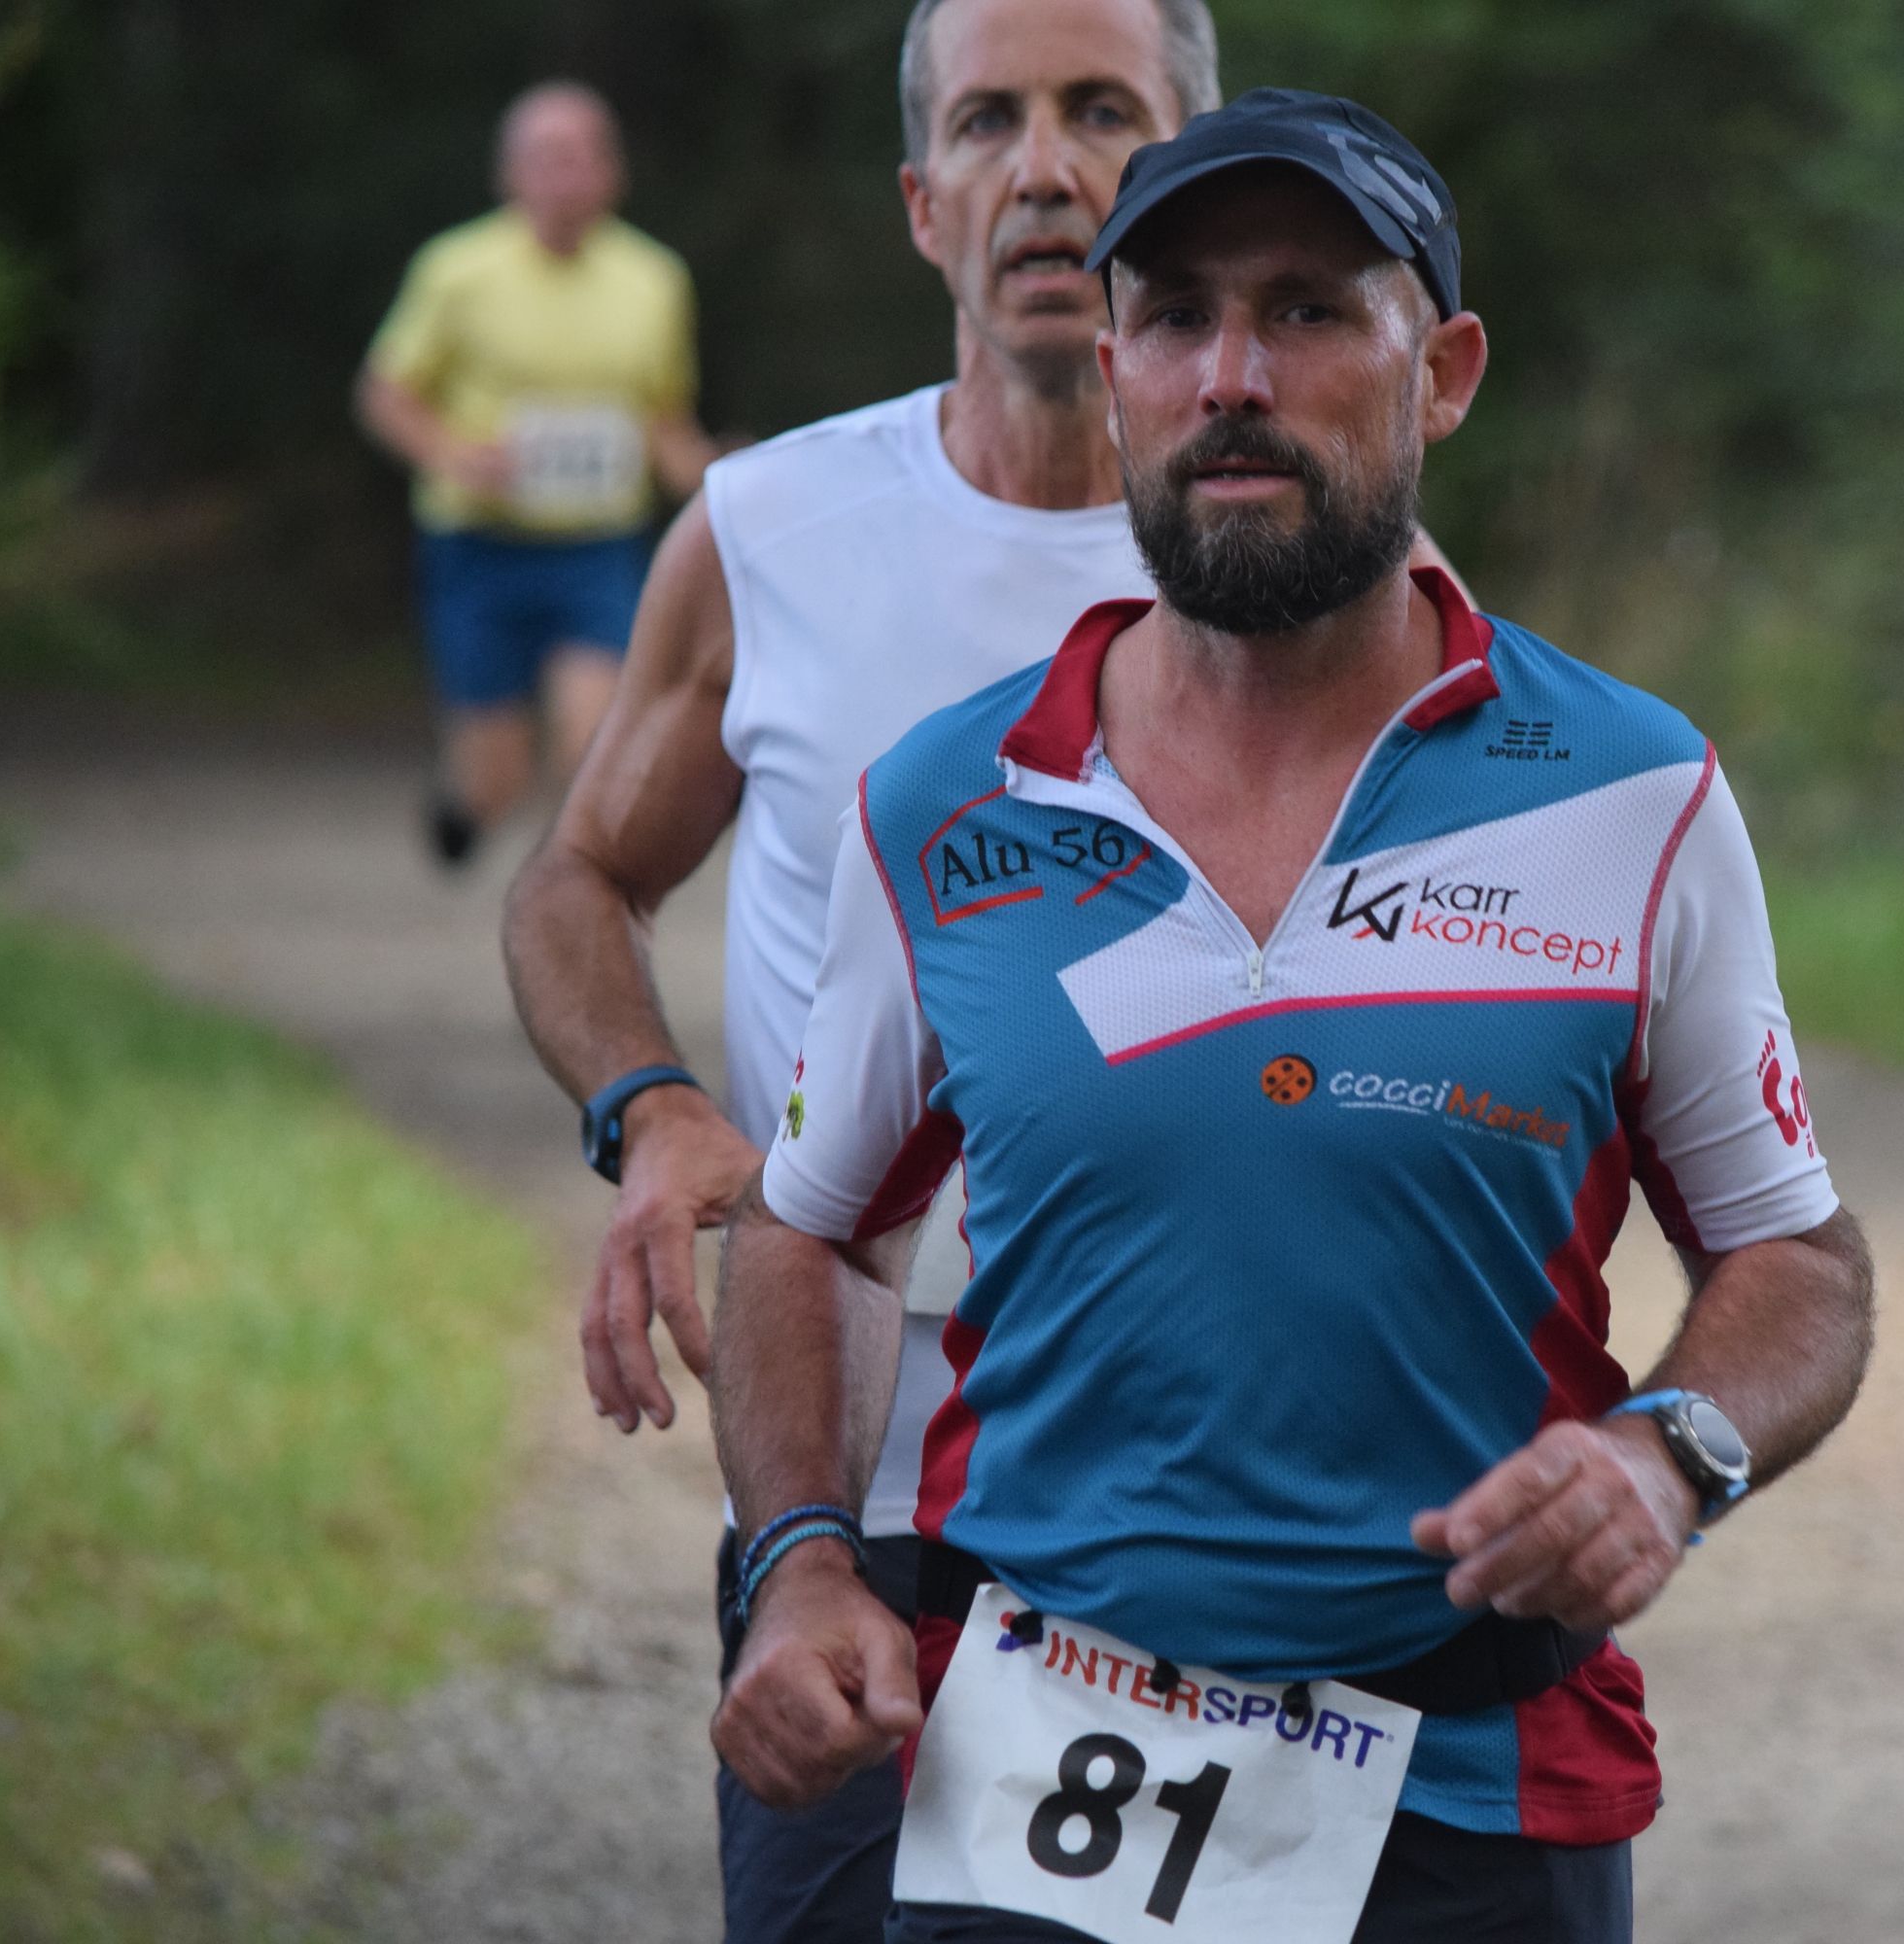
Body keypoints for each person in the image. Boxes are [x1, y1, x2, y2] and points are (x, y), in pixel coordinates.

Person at [708, 88, 1878, 1944]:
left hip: (1478, 1790)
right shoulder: (943, 805)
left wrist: (1669, 1455)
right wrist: (796, 1563)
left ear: (1445, 372)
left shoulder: (1631, 792)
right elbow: (811, 1230)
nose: (1231, 376)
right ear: (1116, 377)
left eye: (1309, 310)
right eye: (1176, 316)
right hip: (1033, 1780)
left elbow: (1795, 1263)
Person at [502, 7, 1444, 1939]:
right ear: (922, 202)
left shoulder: (1321, 549)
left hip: (1216, 1494)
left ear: (1188, 170)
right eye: (988, 122)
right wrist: (653, 1112)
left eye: (1102, 113)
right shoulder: (770, 530)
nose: (1043, 169)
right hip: (854, 1490)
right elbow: (580, 877)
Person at [359, 80, 719, 866]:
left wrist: (718, 479)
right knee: (496, 779)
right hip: (479, 544)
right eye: (548, 157)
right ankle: (462, 806)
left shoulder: (654, 280)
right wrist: (453, 453)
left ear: (614, 171)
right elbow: (386, 395)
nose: (568, 174)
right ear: (509, 172)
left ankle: (570, 891)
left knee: (592, 742)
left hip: (597, 546)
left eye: (585, 156)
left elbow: (664, 422)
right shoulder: (456, 270)